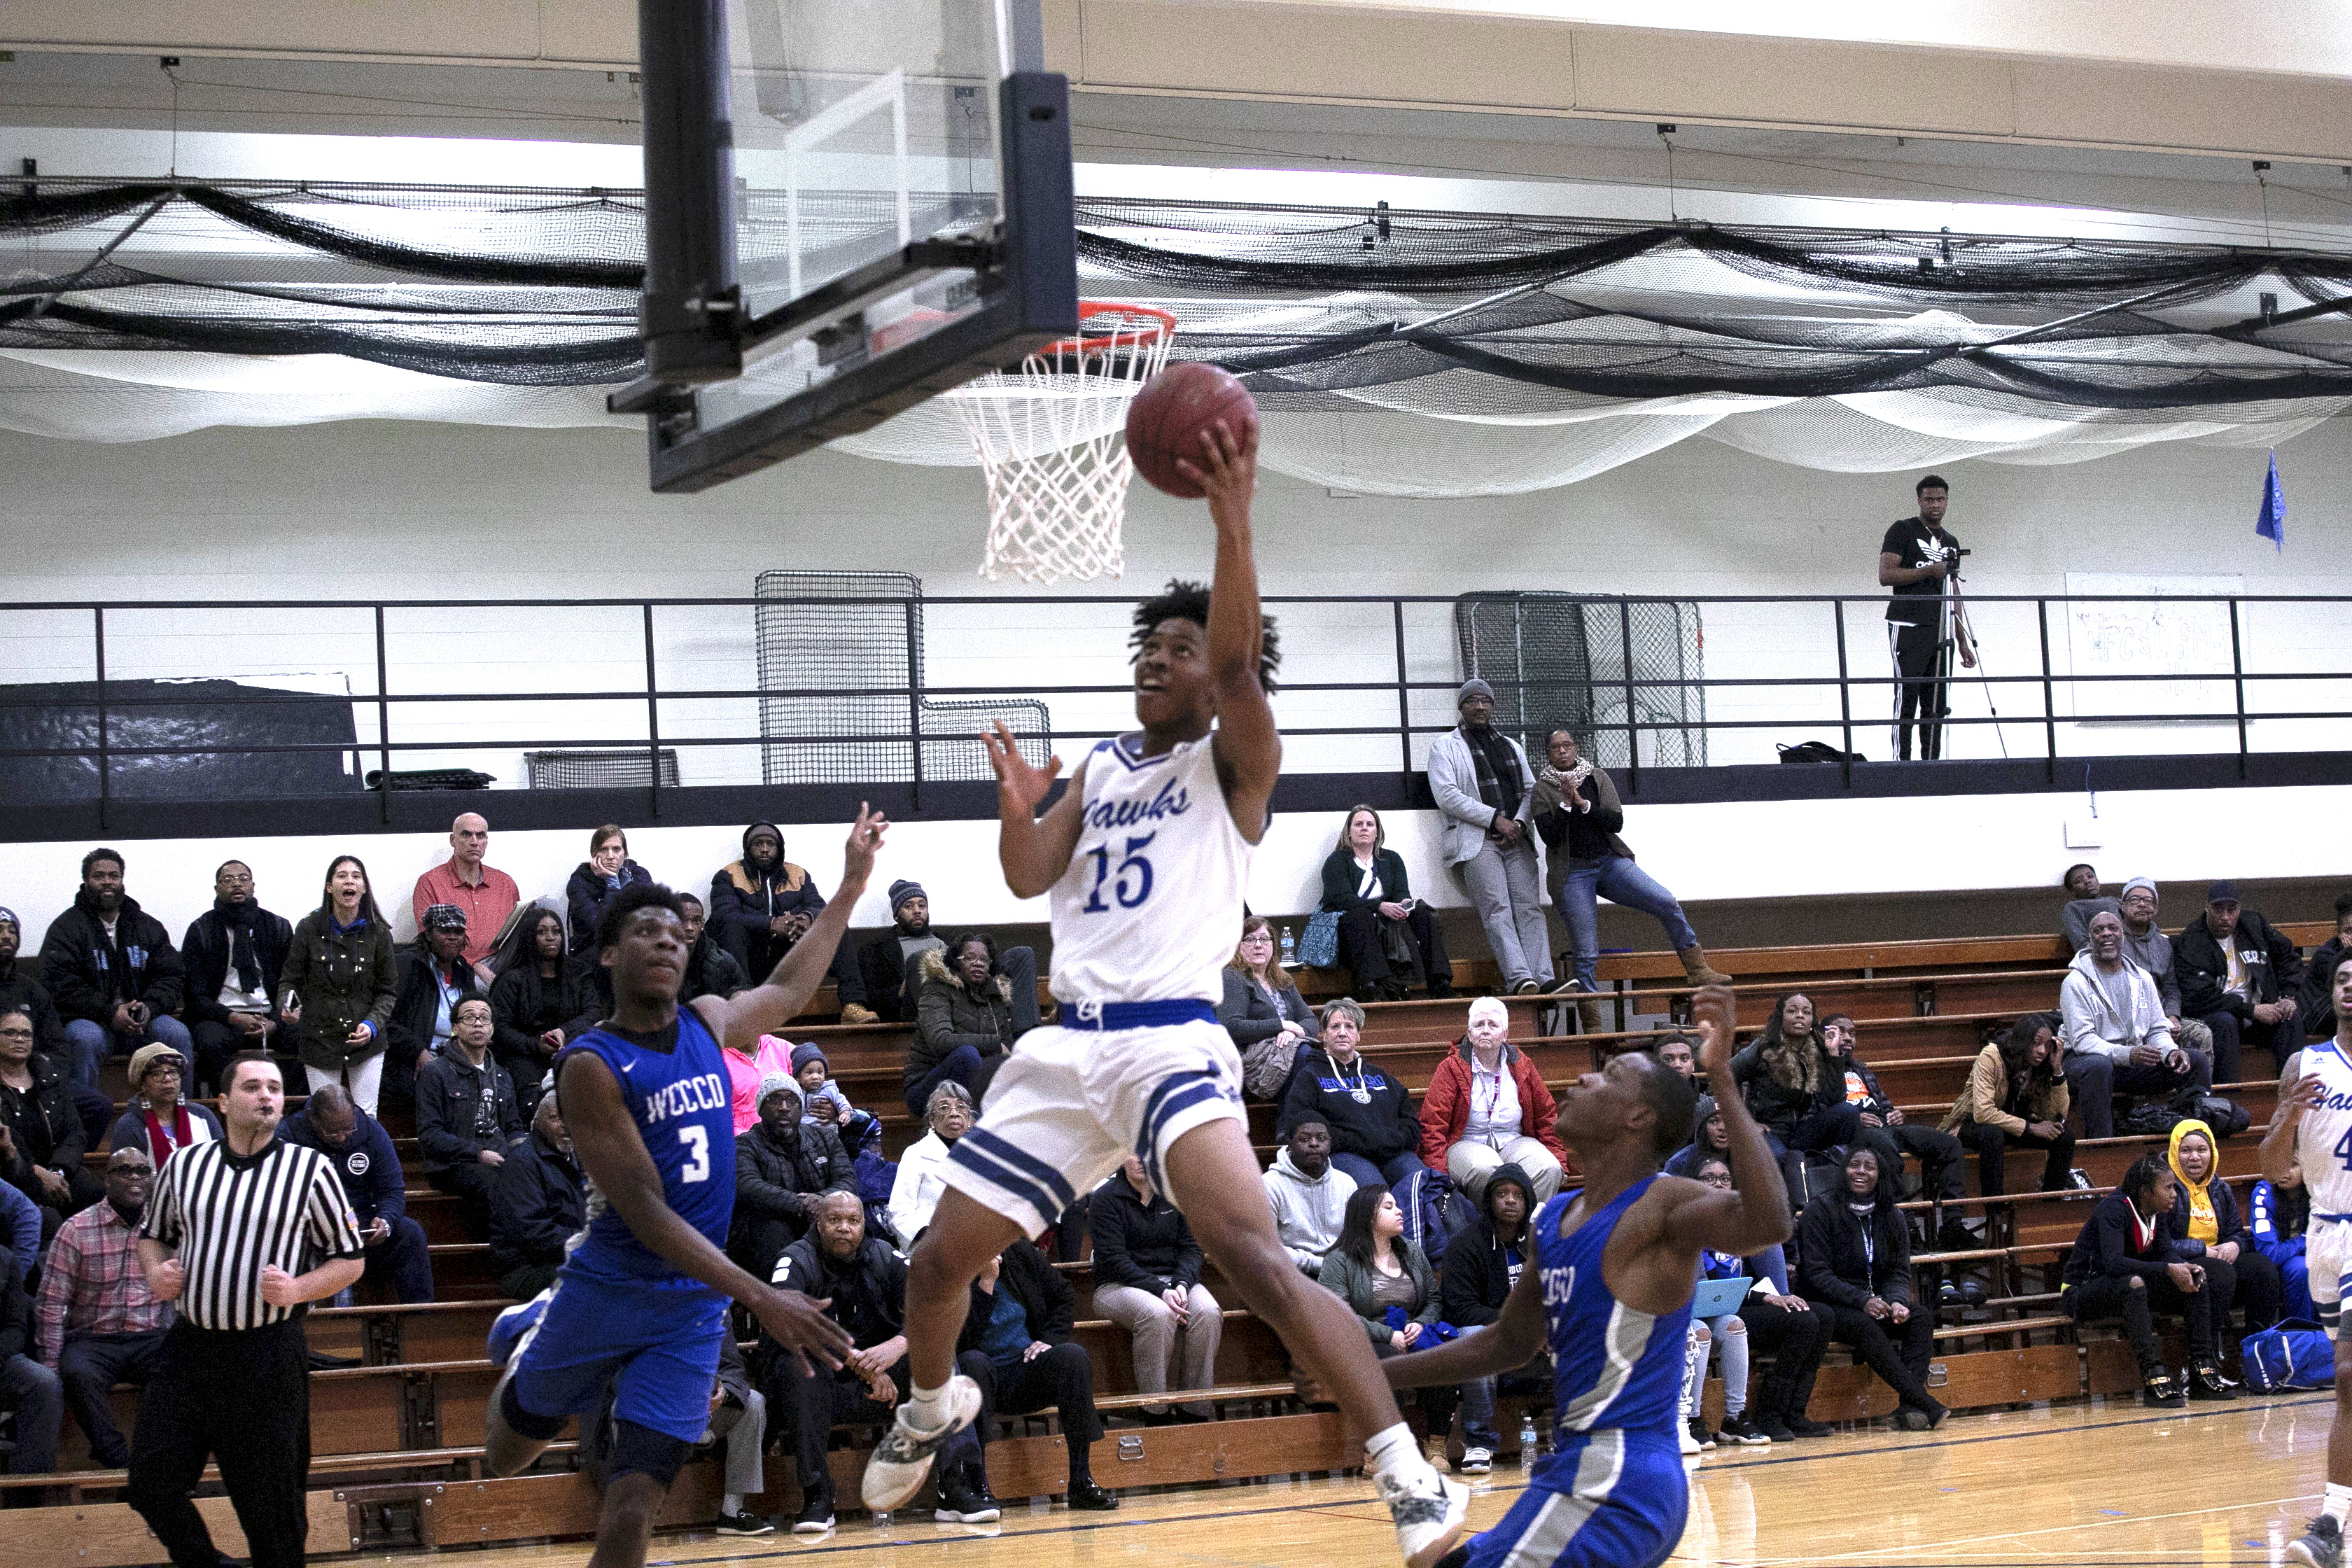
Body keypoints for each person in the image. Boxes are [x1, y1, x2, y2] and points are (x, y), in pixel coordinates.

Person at [866, 421, 1466, 1568]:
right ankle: (929, 1408)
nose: (1157, 658)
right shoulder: (1098, 766)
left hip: (1170, 1043)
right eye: (1149, 645)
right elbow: (1027, 878)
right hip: (1061, 1049)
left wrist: (1233, 519)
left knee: (1250, 1255)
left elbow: (1240, 670)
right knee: (938, 1261)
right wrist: (1016, 799)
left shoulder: (1233, 768)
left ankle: (1405, 1473)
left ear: (1218, 671)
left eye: (1180, 648)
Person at [482, 816, 883, 1568]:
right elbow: (647, 1212)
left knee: (637, 1500)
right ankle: (535, 1330)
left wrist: (853, 886)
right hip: (611, 1281)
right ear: (607, 953)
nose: (667, 940)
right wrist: (762, 1296)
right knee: (505, 1453)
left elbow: (791, 987)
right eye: (645, 931)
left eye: (676, 932)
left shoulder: (709, 1019)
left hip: (691, 1306)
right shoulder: (591, 1066)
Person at [1360, 985, 1791, 1568]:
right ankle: (1424, 1512)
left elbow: (1769, 1221)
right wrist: (1380, 1374)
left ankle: (1420, 1505)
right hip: (1570, 1472)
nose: (1586, 1079)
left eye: (1609, 1076)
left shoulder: (1663, 1206)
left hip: (1619, 1482)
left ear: (1638, 1117)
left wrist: (1722, 1081)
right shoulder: (1557, 1216)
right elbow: (1508, 1342)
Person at [129, 1055, 368, 1568]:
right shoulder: (185, 1165)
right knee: (150, 1486)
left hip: (266, 1355)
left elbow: (350, 1259)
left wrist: (299, 1288)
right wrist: (156, 1273)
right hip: (190, 1350)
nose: (266, 1097)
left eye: (276, 1089)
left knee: (272, 1513)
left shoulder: (311, 1169)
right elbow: (152, 1237)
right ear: (222, 1101)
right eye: (253, 1086)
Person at [764, 1189, 984, 1531]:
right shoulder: (796, 1259)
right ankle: (818, 1497)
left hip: (885, 1385)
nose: (844, 1229)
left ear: (864, 1225)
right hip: (819, 1387)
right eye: (834, 1220)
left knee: (939, 1355)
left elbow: (934, 1304)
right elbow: (784, 1322)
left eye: (852, 1221)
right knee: (799, 1365)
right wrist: (861, 1366)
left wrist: (899, 1344)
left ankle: (955, 1487)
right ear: (819, 1224)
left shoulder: (883, 1255)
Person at [1534, 727, 1725, 1019]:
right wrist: (1565, 802)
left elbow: (1615, 822)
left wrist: (1583, 803)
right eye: (1556, 747)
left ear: (1575, 748)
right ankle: (1594, 1024)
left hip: (1610, 862)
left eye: (1567, 745)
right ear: (1548, 753)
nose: (1562, 751)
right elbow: (1550, 836)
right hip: (1573, 873)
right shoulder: (1541, 789)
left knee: (1665, 901)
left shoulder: (1596, 776)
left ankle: (1697, 969)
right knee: (1586, 951)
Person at [2272, 960, 2352, 1567]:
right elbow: (2277, 1169)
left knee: (2349, 1374)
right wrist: (2291, 1116)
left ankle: (2330, 1522)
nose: (2351, 984)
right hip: (2325, 1232)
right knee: (2346, 1389)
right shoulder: (2305, 1065)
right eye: (2343, 977)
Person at [954, 1238, 1119, 1511]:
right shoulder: (951, 1263)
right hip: (980, 1378)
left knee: (1072, 1357)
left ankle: (1081, 1480)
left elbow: (1064, 1294)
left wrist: (1049, 1339)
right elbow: (962, 1343)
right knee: (973, 1362)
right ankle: (978, 1485)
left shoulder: (1017, 1251)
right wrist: (986, 1282)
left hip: (1023, 1370)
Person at [34, 1145, 167, 1470]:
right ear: (107, 1180)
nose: (134, 1176)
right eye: (124, 1171)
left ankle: (159, 1463)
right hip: (93, 1340)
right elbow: (51, 1304)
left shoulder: (167, 1228)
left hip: (149, 1335)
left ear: (152, 1179)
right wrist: (50, 1367)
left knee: (184, 1368)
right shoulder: (76, 1230)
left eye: (142, 1170)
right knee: (76, 1372)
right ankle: (118, 1461)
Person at [2060, 1152, 2225, 1408]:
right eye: (2168, 1187)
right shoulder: (2113, 1209)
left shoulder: (2157, 1211)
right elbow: (2113, 1264)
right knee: (2133, 1283)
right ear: (2146, 1191)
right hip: (2083, 1290)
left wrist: (2181, 1266)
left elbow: (2164, 1251)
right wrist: (2168, 1269)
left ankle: (2202, 1370)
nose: (2175, 1193)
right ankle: (2153, 1375)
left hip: (2129, 1287)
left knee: (2195, 1279)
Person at [1796, 1146, 1945, 1430]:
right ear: (1844, 1171)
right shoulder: (1820, 1210)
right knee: (1865, 1325)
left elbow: (1898, 1271)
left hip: (1876, 1301)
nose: (1861, 1172)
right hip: (1831, 1304)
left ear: (1880, 1175)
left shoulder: (1892, 1215)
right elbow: (1817, 1274)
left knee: (1921, 1317)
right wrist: (1862, 1300)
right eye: (1855, 1165)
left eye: (1869, 1167)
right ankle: (1925, 1402)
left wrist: (1898, 1300)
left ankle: (1909, 1407)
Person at [1686, 1156, 1830, 1443]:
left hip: (1731, 1303)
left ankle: (1781, 1412)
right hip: (1694, 1309)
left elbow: (1751, 1276)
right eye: (1709, 1178)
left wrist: (1775, 1295)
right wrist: (1763, 1297)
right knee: (1801, 1321)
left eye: (1725, 1178)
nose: (1719, 1183)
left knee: (1823, 1316)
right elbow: (1702, 1285)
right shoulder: (1689, 1224)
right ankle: (1701, 1418)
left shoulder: (1741, 1223)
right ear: (1694, 1185)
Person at [1428, 680, 1551, 995]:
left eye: (1486, 701)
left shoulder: (1512, 746)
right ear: (1461, 706)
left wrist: (1520, 825)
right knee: (1498, 910)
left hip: (1517, 840)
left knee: (1530, 909)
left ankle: (1545, 978)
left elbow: (1530, 791)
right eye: (1473, 701)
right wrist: (1496, 819)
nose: (1480, 706)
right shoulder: (1444, 746)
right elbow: (1447, 795)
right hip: (1477, 840)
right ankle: (1520, 979)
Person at [40, 847, 192, 1090]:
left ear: (122, 880)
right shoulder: (65, 928)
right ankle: (83, 1117)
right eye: (99, 876)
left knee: (177, 1033)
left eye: (114, 875)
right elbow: (61, 984)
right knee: (84, 1038)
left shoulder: (147, 926)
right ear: (86, 880)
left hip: (145, 1021)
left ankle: (184, 1117)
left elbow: (171, 975)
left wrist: (149, 1008)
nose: (107, 882)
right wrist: (110, 1012)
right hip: (93, 1021)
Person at [1317, 1186, 1457, 1444]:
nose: (1399, 1211)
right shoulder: (1339, 1260)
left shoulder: (1412, 1252)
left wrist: (1420, 1323)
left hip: (1411, 1334)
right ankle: (1383, 1452)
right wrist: (1387, 1335)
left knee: (1443, 1360)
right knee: (1389, 1363)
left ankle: (1437, 1445)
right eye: (1389, 1207)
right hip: (1363, 1340)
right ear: (1367, 1217)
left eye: (1397, 1205)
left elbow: (1434, 1299)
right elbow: (1339, 1315)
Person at [1089, 1154, 1221, 1424]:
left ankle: (1194, 1409)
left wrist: (1182, 1283)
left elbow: (1192, 1248)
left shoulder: (1176, 1192)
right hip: (1117, 1285)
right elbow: (1113, 1259)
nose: (1140, 1159)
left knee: (1209, 1312)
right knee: (1157, 1315)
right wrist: (1160, 1290)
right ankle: (1154, 1410)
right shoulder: (1105, 1198)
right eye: (1133, 1152)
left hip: (1174, 1279)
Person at [2062, 909, 2211, 1140]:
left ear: (2123, 936)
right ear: (2090, 939)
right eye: (2098, 930)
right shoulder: (2075, 982)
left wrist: (2170, 1052)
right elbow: (2083, 1041)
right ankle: (2101, 1145)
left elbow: (2156, 1028)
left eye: (2113, 928)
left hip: (2132, 1061)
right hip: (2084, 1061)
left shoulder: (2142, 978)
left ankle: (2193, 1138)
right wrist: (2127, 1054)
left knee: (2195, 1060)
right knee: (2098, 1066)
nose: (2106, 934)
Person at [280, 1082, 433, 1305]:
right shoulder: (288, 1135)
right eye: (333, 1131)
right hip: (309, 1229)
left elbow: (392, 1190)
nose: (342, 1137)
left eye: (348, 1129)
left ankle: (420, 1324)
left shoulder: (371, 1131)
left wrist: (386, 1220)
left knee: (410, 1233)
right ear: (313, 1119)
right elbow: (279, 1195)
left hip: (360, 1226)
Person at [710, 820, 876, 1026]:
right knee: (731, 928)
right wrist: (771, 924)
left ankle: (853, 1005)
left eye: (770, 844)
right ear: (748, 848)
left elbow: (819, 906)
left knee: (838, 927)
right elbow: (724, 915)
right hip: (751, 958)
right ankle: (742, 1005)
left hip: (790, 956)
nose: (764, 849)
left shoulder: (797, 874)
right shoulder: (728, 876)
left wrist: (806, 918)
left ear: (779, 849)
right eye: (758, 844)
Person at [279, 854, 398, 1119]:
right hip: (320, 1040)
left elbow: (387, 991)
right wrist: (288, 1006)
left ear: (364, 888)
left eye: (356, 876)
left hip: (365, 1042)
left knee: (366, 1116)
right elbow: (291, 980)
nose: (350, 881)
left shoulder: (379, 932)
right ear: (329, 886)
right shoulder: (309, 928)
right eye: (342, 876)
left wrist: (372, 1024)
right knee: (326, 1116)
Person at [1419, 995, 1569, 1204]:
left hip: (1514, 1140)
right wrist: (1438, 1174)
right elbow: (1433, 1123)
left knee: (1549, 1168)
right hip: (1467, 1141)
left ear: (1505, 1034)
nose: (1486, 1030)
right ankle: (1490, 1231)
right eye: (1479, 1025)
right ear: (1470, 1035)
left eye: (1493, 1025)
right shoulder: (1451, 1068)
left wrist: (1558, 1158)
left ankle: (1529, 1228)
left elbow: (1546, 1116)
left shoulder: (1522, 1065)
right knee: (1487, 1170)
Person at [1438, 1161, 1536, 1472]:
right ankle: (1479, 1442)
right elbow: (1461, 1309)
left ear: (1528, 1202)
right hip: (1495, 1339)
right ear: (1489, 1201)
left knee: (1582, 1335)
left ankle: (1580, 1438)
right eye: (1502, 1194)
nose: (1510, 1200)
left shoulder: (1541, 1244)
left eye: (1518, 1195)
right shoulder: (1465, 1245)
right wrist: (1517, 1325)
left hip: (1536, 1342)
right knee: (1472, 1337)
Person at [1819, 1014, 1964, 1212]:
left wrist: (1896, 1115)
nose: (1848, 1038)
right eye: (1841, 1032)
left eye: (1852, 1034)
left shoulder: (1861, 1069)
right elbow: (1819, 1110)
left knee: (1950, 1145)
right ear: (1825, 1036)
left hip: (1885, 1127)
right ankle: (1907, 1224)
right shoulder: (1817, 1069)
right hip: (1855, 1132)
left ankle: (1953, 1224)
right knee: (1886, 1149)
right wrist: (1852, 1118)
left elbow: (1883, 1103)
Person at [1877, 472, 1975, 762]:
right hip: (1908, 624)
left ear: (1947, 502)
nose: (1935, 504)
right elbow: (1886, 576)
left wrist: (1963, 641)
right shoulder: (1902, 530)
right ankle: (1901, 765)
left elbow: (1953, 592)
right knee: (1907, 698)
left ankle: (1930, 763)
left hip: (1941, 630)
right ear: (1919, 500)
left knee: (1935, 703)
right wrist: (1928, 571)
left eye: (1941, 499)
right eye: (1929, 499)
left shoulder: (1950, 540)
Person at [1280, 999, 1422, 1190]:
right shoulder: (1310, 1076)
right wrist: (1365, 1142)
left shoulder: (1380, 1075)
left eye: (1349, 1027)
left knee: (1426, 1186)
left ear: (1358, 1036)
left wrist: (1392, 1141)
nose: (1342, 1032)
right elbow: (1302, 1123)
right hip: (1344, 1154)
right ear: (1325, 1035)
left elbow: (1410, 1122)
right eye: (1335, 1026)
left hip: (1392, 1152)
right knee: (1375, 1194)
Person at [414, 996, 524, 1238]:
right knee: (493, 1185)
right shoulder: (435, 1073)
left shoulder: (503, 1076)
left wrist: (524, 1153)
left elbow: (513, 1128)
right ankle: (492, 1252)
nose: (478, 1024)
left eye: (485, 1018)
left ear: (492, 1028)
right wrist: (477, 1153)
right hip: (452, 1164)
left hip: (499, 1157)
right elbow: (430, 1135)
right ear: (454, 1027)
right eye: (469, 1018)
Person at [180, 860, 292, 1095]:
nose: (236, 885)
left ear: (253, 885)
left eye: (243, 879)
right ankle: (229, 1107)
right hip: (223, 1017)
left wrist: (275, 1020)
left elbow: (292, 985)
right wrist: (233, 1017)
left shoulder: (278, 927)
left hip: (269, 1014)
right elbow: (195, 995)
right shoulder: (201, 930)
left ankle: (289, 1110)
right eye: (228, 880)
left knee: (303, 1036)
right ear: (217, 888)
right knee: (210, 1040)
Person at [2176, 881, 2302, 1086]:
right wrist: (2251, 1010)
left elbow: (2289, 957)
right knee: (2225, 1022)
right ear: (2206, 908)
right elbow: (2197, 997)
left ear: (2239, 910)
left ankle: (2295, 1092)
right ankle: (2229, 1101)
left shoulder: (2254, 925)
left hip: (2258, 1014)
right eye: (2218, 909)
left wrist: (2288, 996)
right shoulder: (2191, 941)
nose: (2225, 916)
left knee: (2290, 1017)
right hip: (2220, 1017)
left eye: (2231, 910)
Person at [1319, 806, 1450, 1002]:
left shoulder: (1392, 859)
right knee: (1360, 916)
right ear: (1349, 831)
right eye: (1358, 824)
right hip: (1350, 927)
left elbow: (1401, 893)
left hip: (1386, 924)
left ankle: (1440, 982)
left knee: (1423, 913)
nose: (1364, 828)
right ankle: (1370, 985)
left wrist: (1405, 904)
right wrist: (1380, 907)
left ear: (1377, 831)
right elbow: (1342, 899)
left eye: (1370, 824)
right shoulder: (1336, 861)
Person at [1728, 991, 1847, 1204]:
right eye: (1792, 1011)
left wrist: (1833, 1055)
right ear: (1781, 1017)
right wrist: (1746, 1120)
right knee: (1778, 1157)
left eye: (1806, 1012)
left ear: (1812, 1020)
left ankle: (1852, 1188)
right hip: (1770, 1129)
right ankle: (1785, 1219)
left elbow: (1836, 1099)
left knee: (1847, 1113)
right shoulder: (1763, 1046)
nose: (1800, 1016)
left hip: (1804, 1128)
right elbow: (1728, 1075)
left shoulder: (1820, 1049)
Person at [731, 1074, 853, 1282]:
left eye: (792, 1100)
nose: (784, 1107)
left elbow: (847, 1182)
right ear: (760, 1108)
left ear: (801, 1107)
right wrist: (802, 1205)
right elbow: (747, 1186)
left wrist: (820, 1200)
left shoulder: (825, 1138)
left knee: (851, 1227)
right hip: (766, 1230)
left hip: (819, 1218)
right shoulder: (746, 1144)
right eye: (775, 1100)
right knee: (774, 1228)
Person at [1940, 1011, 2076, 1196]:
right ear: (2023, 1040)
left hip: (2015, 1124)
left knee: (2063, 1136)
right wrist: (2031, 1128)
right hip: (1973, 1124)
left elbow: (2058, 1117)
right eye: (2036, 1043)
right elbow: (1983, 1112)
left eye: (2047, 1045)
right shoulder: (1992, 1055)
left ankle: (2050, 1204)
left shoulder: (2044, 1065)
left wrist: (2057, 1071)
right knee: (1992, 1132)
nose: (2042, 1051)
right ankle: (1995, 1208)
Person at [2166, 1117, 2280, 1333]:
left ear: (2212, 1154)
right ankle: (2208, 1344)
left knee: (2263, 1268)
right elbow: (2162, 1244)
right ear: (2174, 1153)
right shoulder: (2165, 1188)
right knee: (2220, 1272)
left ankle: (2257, 1340)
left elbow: (2236, 1232)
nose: (2194, 1157)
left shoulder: (2220, 1188)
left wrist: (2235, 1245)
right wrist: (2202, 1250)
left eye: (2202, 1150)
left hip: (2217, 1259)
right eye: (2186, 1151)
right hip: (2183, 1265)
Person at [489, 906, 600, 1104]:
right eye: (542, 932)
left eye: (556, 931)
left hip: (570, 1046)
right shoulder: (511, 979)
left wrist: (564, 1032)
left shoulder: (579, 973)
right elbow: (501, 1029)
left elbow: (593, 1012)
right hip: (523, 1054)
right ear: (529, 937)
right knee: (535, 1097)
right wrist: (536, 1045)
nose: (551, 937)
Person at [0, 1006, 100, 1224]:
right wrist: (38, 1173)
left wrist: (59, 1171)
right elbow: (7, 1144)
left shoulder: (49, 1077)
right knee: (48, 1217)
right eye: (10, 1033)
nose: (19, 1039)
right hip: (11, 1172)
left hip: (56, 1167)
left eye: (26, 1034)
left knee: (96, 1192)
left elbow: (75, 1132)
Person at [906, 934, 1021, 1117]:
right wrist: (992, 1043)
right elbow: (940, 1041)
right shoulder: (937, 989)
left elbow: (1006, 1050)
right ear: (956, 963)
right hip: (926, 1087)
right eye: (969, 958)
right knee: (967, 1055)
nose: (978, 963)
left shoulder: (994, 997)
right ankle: (970, 1121)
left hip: (974, 1083)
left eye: (984, 959)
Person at [384, 904, 482, 1116]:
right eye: (445, 931)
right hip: (411, 1059)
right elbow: (386, 1023)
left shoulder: (464, 971)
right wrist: (418, 1051)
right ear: (428, 934)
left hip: (456, 1057)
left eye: (458, 932)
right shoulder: (408, 965)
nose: (453, 937)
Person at [489, 1091, 586, 1301]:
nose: (565, 1125)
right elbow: (534, 1234)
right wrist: (587, 1244)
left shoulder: (580, 1158)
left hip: (573, 1256)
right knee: (595, 1282)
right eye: (555, 1118)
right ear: (538, 1123)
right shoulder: (521, 1165)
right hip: (526, 1268)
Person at [2113, 878, 2216, 1058]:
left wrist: (2173, 1016)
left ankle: (2198, 1086)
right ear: (2123, 906)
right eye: (2135, 899)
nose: (2142, 904)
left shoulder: (2164, 943)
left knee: (2202, 1033)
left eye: (2148, 900)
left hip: (2159, 1016)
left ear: (2156, 909)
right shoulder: (2112, 939)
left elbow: (2171, 988)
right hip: (2123, 1018)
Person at [412, 812, 519, 983]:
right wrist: (476, 967)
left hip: (504, 962)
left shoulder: (504, 883)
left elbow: (516, 935)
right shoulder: (430, 883)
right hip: (456, 966)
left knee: (546, 910)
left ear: (486, 841)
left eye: (480, 835)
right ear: (452, 840)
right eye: (466, 834)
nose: (474, 842)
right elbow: (431, 941)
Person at [1219, 915, 1320, 1096]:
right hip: (1253, 1060)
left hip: (1285, 1053)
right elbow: (1232, 1026)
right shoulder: (1233, 977)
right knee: (1305, 1055)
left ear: (1273, 945)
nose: (1258, 945)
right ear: (1238, 946)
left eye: (1265, 939)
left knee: (1311, 1056)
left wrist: (1291, 1032)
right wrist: (1281, 1025)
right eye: (1250, 939)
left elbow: (1310, 1020)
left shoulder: (1282, 979)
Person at [0, 1227, 62, 1484]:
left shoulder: (4, 1259)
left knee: (44, 1382)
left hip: (1, 1360)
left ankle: (26, 1491)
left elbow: (15, 1325)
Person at [107, 1042, 223, 1170]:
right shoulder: (129, 1126)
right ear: (142, 1084)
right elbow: (127, 1180)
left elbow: (223, 1165)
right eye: (157, 1074)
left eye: (173, 1072)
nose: (168, 1079)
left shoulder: (203, 1116)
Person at [1266, 1119, 1357, 1275]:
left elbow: (1359, 1237)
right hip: (1292, 1272)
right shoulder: (1270, 1185)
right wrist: (1321, 1265)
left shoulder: (1346, 1182)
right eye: (1304, 1139)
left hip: (1342, 1272)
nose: (1314, 1144)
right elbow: (1269, 1247)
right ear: (1290, 1145)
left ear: (1330, 1143)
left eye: (1321, 1139)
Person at [888, 1081, 974, 1243]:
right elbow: (899, 1212)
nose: (954, 1113)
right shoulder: (915, 1154)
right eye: (944, 1107)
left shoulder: (979, 1156)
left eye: (961, 1107)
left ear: (969, 1117)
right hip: (930, 1245)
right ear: (932, 1119)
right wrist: (930, 1239)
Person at [857, 879, 947, 1024]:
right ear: (896, 914)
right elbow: (868, 997)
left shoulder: (945, 944)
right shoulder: (875, 949)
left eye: (922, 905)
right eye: (908, 906)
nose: (917, 911)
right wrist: (901, 990)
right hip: (899, 1020)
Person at [566, 825, 650, 956]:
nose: (611, 856)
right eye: (604, 850)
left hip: (635, 952)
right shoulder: (579, 883)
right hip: (593, 955)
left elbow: (652, 917)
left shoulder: (639, 876)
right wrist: (612, 883)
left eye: (617, 849)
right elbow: (602, 927)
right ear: (594, 855)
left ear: (625, 853)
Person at [0, 909, 69, 1065]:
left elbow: (57, 1047)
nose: (7, 936)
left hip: (33, 1077)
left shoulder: (32, 991)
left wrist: (45, 1077)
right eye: (0, 930)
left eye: (12, 931)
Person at [2250, 1169, 2314, 1324]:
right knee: (2301, 1269)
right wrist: (2307, 1238)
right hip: (2281, 1264)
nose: (2283, 1170)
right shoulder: (2264, 1193)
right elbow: (2271, 1254)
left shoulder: (2318, 1188)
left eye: (2293, 1164)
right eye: (2278, 1164)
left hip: (2314, 1254)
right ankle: (2299, 1334)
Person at [674, 895, 750, 1004]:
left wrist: (737, 995)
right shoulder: (656, 959)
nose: (690, 928)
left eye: (696, 921)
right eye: (682, 920)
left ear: (702, 924)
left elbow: (740, 990)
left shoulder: (724, 962)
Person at [2299, 893, 2352, 1044]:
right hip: (2314, 1016)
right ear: (2339, 933)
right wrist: (2348, 953)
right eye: (2348, 931)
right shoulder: (2326, 954)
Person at [1664, 1095, 1730, 1180]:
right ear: (1702, 1128)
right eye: (1714, 1121)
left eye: (1728, 1121)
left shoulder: (1746, 1158)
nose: (1722, 1127)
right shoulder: (1680, 1163)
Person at [2058, 863, 2118, 954]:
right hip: (2102, 955)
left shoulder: (2115, 901)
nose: (2087, 881)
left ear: (2098, 881)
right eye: (2079, 881)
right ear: (2072, 891)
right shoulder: (2073, 907)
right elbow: (2081, 943)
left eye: (2090, 876)